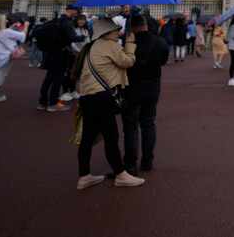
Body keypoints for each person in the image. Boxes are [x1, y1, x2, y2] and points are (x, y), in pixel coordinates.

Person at [74, 17, 143, 190]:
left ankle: (84, 175)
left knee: (87, 138)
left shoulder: (90, 46)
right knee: (111, 137)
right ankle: (120, 174)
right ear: (107, 32)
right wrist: (131, 45)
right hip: (102, 97)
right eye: (115, 29)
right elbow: (127, 62)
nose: (118, 31)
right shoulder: (109, 45)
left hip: (87, 96)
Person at [122, 14, 170, 175]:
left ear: (133, 28)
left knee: (130, 126)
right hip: (152, 87)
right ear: (145, 25)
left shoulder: (127, 43)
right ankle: (147, 161)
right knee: (148, 124)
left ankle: (130, 163)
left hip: (132, 87)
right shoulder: (160, 42)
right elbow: (163, 61)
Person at [38, 5, 85, 112]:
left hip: (51, 52)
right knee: (57, 79)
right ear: (71, 11)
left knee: (49, 78)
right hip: (60, 54)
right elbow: (73, 37)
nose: (77, 13)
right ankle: (53, 104)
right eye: (76, 11)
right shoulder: (67, 23)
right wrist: (83, 37)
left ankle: (42, 102)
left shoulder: (57, 20)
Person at [0, 13, 27, 103]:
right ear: (0, 22)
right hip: (5, 57)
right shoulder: (6, 32)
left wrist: (11, 27)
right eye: (5, 19)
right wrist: (26, 26)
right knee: (1, 75)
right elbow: (23, 37)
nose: (7, 21)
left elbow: (3, 34)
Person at [61, 14, 90, 102]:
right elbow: (72, 42)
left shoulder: (85, 30)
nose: (81, 21)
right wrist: (77, 51)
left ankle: (73, 90)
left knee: (76, 73)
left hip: (82, 54)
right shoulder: (73, 29)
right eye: (80, 19)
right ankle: (65, 91)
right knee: (69, 72)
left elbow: (87, 41)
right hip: (73, 54)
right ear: (76, 20)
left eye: (83, 20)